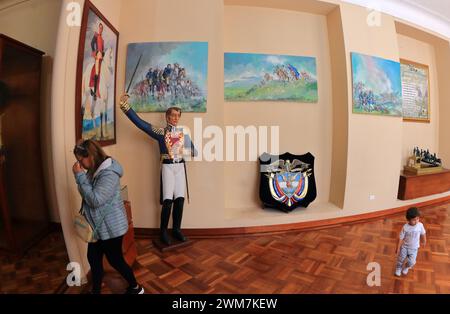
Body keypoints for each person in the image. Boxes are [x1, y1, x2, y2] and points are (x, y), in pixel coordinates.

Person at [119, 94, 196, 246]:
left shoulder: (183, 134)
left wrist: (188, 151)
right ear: (167, 117)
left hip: (180, 167)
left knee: (179, 200)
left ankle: (176, 230)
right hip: (167, 167)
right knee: (167, 201)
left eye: (177, 116)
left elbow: (194, 151)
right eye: (173, 115)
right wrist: (125, 106)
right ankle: (163, 232)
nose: (175, 118)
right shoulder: (161, 132)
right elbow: (141, 124)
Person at [73, 139, 144, 294]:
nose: (80, 164)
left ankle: (136, 287)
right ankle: (96, 290)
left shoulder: (109, 173)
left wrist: (79, 177)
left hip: (111, 228)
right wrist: (82, 176)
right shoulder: (95, 168)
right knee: (93, 258)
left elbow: (95, 200)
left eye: (80, 160)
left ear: (90, 155)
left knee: (115, 261)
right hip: (98, 227)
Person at [395, 207, 426, 277]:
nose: (416, 221)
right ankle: (398, 268)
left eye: (418, 219)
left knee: (411, 262)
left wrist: (424, 241)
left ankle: (406, 267)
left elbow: (423, 233)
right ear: (408, 220)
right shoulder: (405, 227)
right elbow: (400, 238)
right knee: (401, 259)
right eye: (414, 220)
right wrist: (398, 248)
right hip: (404, 247)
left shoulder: (420, 225)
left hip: (414, 248)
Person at [90, 23, 105, 100]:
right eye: (100, 28)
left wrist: (103, 54)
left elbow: (103, 49)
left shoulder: (102, 39)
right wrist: (95, 53)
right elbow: (92, 44)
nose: (100, 29)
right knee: (96, 72)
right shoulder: (96, 35)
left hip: (101, 57)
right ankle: (95, 92)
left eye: (102, 28)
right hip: (97, 56)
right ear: (98, 28)